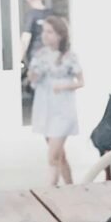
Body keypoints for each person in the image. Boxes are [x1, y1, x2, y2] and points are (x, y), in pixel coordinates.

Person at [28, 15, 83, 187]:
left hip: (63, 110)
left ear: (60, 35)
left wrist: (63, 86)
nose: (45, 35)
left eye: (50, 32)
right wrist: (33, 71)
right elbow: (32, 80)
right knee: (59, 155)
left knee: (52, 157)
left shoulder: (69, 56)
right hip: (45, 109)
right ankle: (71, 186)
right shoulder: (40, 55)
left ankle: (49, 190)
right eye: (44, 31)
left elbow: (80, 81)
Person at [20, 0, 52, 67]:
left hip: (36, 56)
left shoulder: (31, 15)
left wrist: (19, 59)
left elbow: (25, 39)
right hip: (51, 56)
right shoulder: (51, 14)